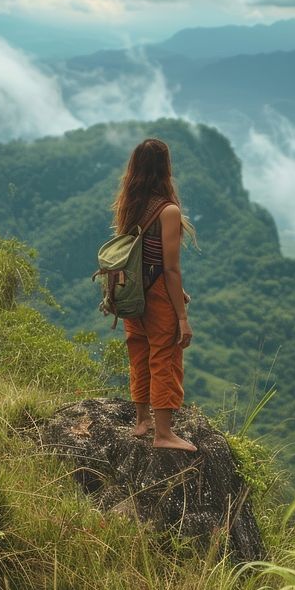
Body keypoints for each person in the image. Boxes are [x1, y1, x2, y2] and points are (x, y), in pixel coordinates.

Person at [111, 138, 197, 451]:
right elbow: (170, 269)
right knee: (165, 356)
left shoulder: (129, 203)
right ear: (165, 168)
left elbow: (139, 255)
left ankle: (142, 422)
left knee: (139, 353)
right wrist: (182, 317)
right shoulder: (168, 210)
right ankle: (163, 434)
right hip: (158, 292)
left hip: (131, 290)